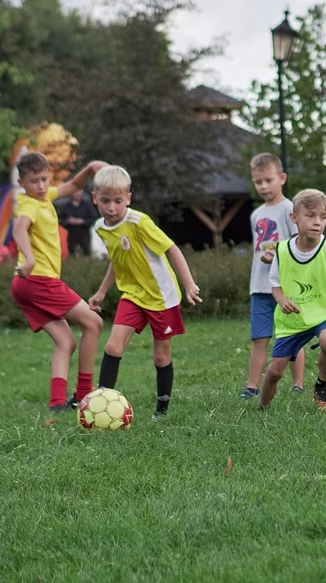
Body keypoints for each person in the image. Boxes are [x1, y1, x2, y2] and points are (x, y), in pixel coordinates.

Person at [88, 165, 201, 421]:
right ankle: (100, 406)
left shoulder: (139, 222)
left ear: (128, 198)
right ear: (95, 198)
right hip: (132, 296)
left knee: (161, 354)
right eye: (105, 201)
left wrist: (189, 284)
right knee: (113, 346)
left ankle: (161, 411)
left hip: (162, 298)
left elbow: (172, 249)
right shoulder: (101, 228)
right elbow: (117, 261)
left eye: (118, 201)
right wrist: (101, 292)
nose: (112, 207)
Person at [11, 153, 107, 411]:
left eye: (44, 179)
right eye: (34, 182)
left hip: (25, 285)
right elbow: (19, 229)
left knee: (66, 342)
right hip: (38, 279)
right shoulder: (29, 205)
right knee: (94, 323)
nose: (41, 187)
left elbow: (74, 186)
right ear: (22, 183)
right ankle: (84, 394)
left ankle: (56, 403)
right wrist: (29, 259)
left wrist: (89, 168)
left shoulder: (46, 198)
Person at [259, 189, 326, 412]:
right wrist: (281, 299)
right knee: (275, 372)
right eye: (310, 215)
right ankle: (262, 409)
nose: (317, 222)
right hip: (294, 320)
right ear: (294, 217)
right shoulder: (282, 251)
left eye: (323, 217)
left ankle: (322, 386)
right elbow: (275, 286)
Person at [242, 153, 305, 400]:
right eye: (258, 182)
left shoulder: (290, 209)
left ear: (282, 178)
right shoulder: (255, 215)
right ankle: (251, 387)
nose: (263, 186)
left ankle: (298, 385)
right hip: (259, 287)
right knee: (259, 338)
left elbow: (298, 245)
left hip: (286, 288)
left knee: (292, 337)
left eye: (268, 180)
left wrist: (277, 257)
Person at [57, 188, 99, 257]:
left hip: (84, 234)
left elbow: (94, 219)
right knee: (71, 254)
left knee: (86, 254)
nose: (78, 194)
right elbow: (60, 220)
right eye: (76, 192)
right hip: (71, 234)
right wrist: (68, 221)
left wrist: (83, 221)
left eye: (80, 192)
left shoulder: (87, 206)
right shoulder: (66, 207)